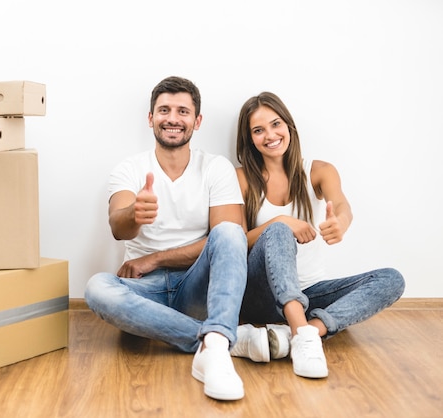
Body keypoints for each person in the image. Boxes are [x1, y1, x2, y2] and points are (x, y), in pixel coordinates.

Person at [85, 76, 267, 401]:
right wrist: (134, 214)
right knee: (97, 287)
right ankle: (218, 342)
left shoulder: (216, 168)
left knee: (229, 231)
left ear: (197, 121)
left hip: (196, 284)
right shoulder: (130, 169)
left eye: (182, 111)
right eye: (164, 110)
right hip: (146, 291)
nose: (172, 118)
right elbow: (118, 227)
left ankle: (214, 345)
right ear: (151, 118)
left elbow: (229, 237)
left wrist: (155, 257)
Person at [233, 91, 405, 379]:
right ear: (250, 139)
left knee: (392, 279)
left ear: (289, 126)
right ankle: (303, 334)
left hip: (309, 292)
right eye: (258, 130)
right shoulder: (242, 178)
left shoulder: (319, 171)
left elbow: (341, 205)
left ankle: (302, 335)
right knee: (278, 230)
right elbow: (235, 241)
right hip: (259, 296)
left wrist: (341, 221)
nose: (270, 135)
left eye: (276, 124)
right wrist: (281, 220)